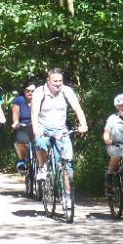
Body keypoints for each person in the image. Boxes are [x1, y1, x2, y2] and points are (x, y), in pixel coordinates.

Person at [31, 68, 88, 201]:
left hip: (61, 129)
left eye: (60, 81)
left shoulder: (66, 91)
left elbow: (77, 108)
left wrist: (83, 124)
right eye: (55, 81)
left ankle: (67, 196)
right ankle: (42, 166)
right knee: (40, 144)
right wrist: (36, 128)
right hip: (43, 127)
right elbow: (34, 112)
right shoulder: (40, 92)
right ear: (48, 81)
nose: (58, 84)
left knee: (66, 163)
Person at [10, 81, 36, 171]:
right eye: (28, 91)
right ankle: (22, 160)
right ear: (24, 91)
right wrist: (15, 123)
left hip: (36, 124)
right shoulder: (19, 100)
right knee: (20, 140)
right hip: (23, 125)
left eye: (33, 91)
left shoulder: (39, 99)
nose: (30, 93)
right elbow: (15, 115)